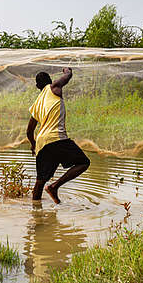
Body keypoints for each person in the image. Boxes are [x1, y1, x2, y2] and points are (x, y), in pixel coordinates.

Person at [26, 67, 90, 204]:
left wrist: (33, 144)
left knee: (40, 181)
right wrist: (67, 70)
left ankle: (35, 211)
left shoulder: (37, 104)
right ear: (50, 81)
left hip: (42, 143)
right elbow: (67, 76)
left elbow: (29, 131)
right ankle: (54, 186)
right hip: (56, 138)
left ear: (37, 86)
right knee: (83, 163)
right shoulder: (54, 87)